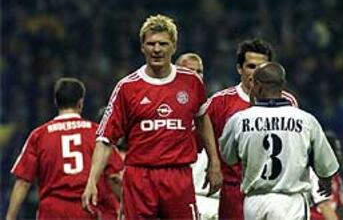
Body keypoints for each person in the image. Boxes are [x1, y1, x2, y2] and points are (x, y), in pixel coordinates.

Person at [82, 14, 223, 219]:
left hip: (179, 175)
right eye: (151, 43)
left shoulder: (191, 82)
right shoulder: (127, 87)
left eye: (163, 44)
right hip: (140, 177)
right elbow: (105, 139)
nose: (157, 49)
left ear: (173, 46)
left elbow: (203, 120)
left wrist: (214, 163)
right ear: (142, 47)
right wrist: (92, 181)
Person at [219, 62, 339, 220]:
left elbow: (228, 158)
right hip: (290, 202)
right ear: (283, 85)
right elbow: (326, 166)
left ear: (257, 85)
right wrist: (326, 182)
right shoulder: (306, 120)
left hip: (255, 202)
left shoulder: (239, 119)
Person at [199, 38, 298, 220]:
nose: (257, 73)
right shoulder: (220, 102)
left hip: (274, 191)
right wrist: (213, 163)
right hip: (234, 190)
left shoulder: (288, 102)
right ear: (239, 68)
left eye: (262, 67)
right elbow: (198, 133)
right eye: (251, 66)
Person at [6, 77, 122, 220]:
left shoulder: (39, 135)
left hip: (51, 211)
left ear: (56, 102)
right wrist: (128, 207)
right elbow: (114, 177)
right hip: (84, 209)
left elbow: (23, 181)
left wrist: (10, 217)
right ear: (80, 103)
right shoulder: (97, 133)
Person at [176, 52, 219, 220]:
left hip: (212, 197)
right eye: (189, 70)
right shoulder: (164, 109)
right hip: (179, 194)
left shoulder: (214, 109)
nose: (195, 76)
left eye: (199, 71)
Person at [309, 130, 343, 220]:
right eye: (335, 150)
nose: (338, 154)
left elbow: (339, 207)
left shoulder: (337, 178)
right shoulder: (313, 173)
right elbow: (324, 206)